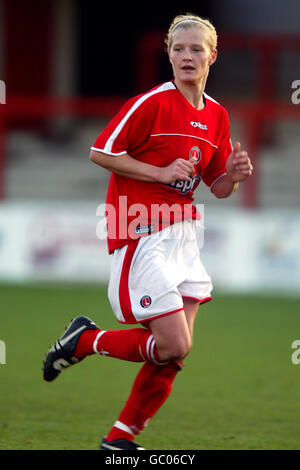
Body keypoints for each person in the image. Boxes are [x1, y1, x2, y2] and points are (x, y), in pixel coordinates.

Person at [43, 13, 253, 450]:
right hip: (141, 231)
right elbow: (101, 151)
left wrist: (234, 174)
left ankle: (120, 438)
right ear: (169, 55)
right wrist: (158, 172)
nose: (187, 56)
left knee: (176, 354)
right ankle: (84, 341)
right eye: (179, 49)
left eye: (196, 49)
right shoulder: (152, 103)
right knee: (173, 342)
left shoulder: (217, 114)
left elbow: (217, 187)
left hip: (185, 236)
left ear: (213, 55)